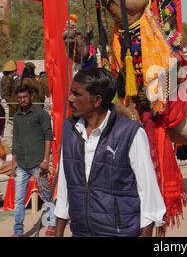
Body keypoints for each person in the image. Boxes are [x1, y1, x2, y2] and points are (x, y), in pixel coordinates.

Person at [55, 68, 166, 237]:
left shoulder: (130, 133)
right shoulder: (69, 128)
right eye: (71, 93)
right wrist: (59, 232)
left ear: (97, 100)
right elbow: (65, 185)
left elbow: (148, 193)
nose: (70, 98)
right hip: (81, 232)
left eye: (77, 94)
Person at [11, 85, 55, 237]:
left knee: (46, 195)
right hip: (22, 163)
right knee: (18, 199)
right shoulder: (16, 117)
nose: (22, 100)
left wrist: (45, 160)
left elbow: (48, 136)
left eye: (25, 97)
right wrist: (14, 162)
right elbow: (15, 140)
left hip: (38, 162)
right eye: (20, 98)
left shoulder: (41, 114)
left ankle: (51, 223)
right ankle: (18, 230)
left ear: (31, 97)